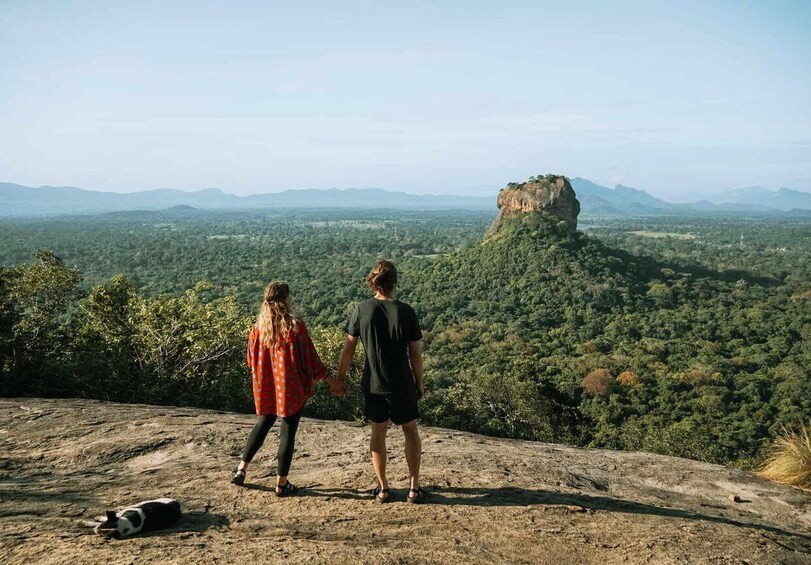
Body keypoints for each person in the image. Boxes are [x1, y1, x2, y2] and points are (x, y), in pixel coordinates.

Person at [232, 281, 345, 494]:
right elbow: (311, 361)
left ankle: (241, 469)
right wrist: (333, 382)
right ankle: (281, 483)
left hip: (266, 385)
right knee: (288, 431)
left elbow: (250, 360)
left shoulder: (258, 329)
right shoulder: (295, 327)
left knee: (264, 422)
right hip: (290, 387)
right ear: (286, 299)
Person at [337, 260, 426, 503]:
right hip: (402, 383)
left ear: (374, 282)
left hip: (373, 383)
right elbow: (415, 354)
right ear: (395, 282)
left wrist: (340, 377)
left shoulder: (361, 309)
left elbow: (348, 349)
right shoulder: (406, 312)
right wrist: (419, 382)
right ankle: (414, 487)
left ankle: (384, 487)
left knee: (378, 432)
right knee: (410, 430)